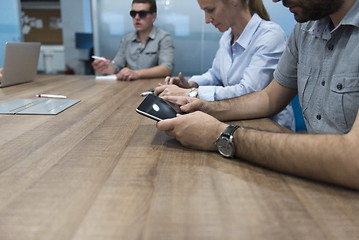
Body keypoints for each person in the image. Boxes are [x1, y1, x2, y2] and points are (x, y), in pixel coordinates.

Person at [156, 0, 359, 190]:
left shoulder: (271, 34)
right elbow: (268, 98)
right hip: (317, 182)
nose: (275, 0)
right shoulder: (305, 29)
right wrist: (203, 106)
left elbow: (353, 158)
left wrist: (220, 134)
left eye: (210, 10)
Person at [155, 0, 295, 130]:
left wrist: (191, 93)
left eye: (210, 10)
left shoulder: (270, 36)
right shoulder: (227, 37)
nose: (206, 20)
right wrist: (191, 84)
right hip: (239, 122)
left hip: (270, 129)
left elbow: (249, 92)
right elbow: (215, 75)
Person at [92, 0, 174, 81]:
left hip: (154, 88)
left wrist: (136, 73)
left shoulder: (163, 37)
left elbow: (166, 68)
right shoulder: (127, 39)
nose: (136, 18)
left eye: (142, 14)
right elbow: (117, 66)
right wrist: (105, 68)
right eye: (133, 14)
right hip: (130, 87)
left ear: (153, 16)